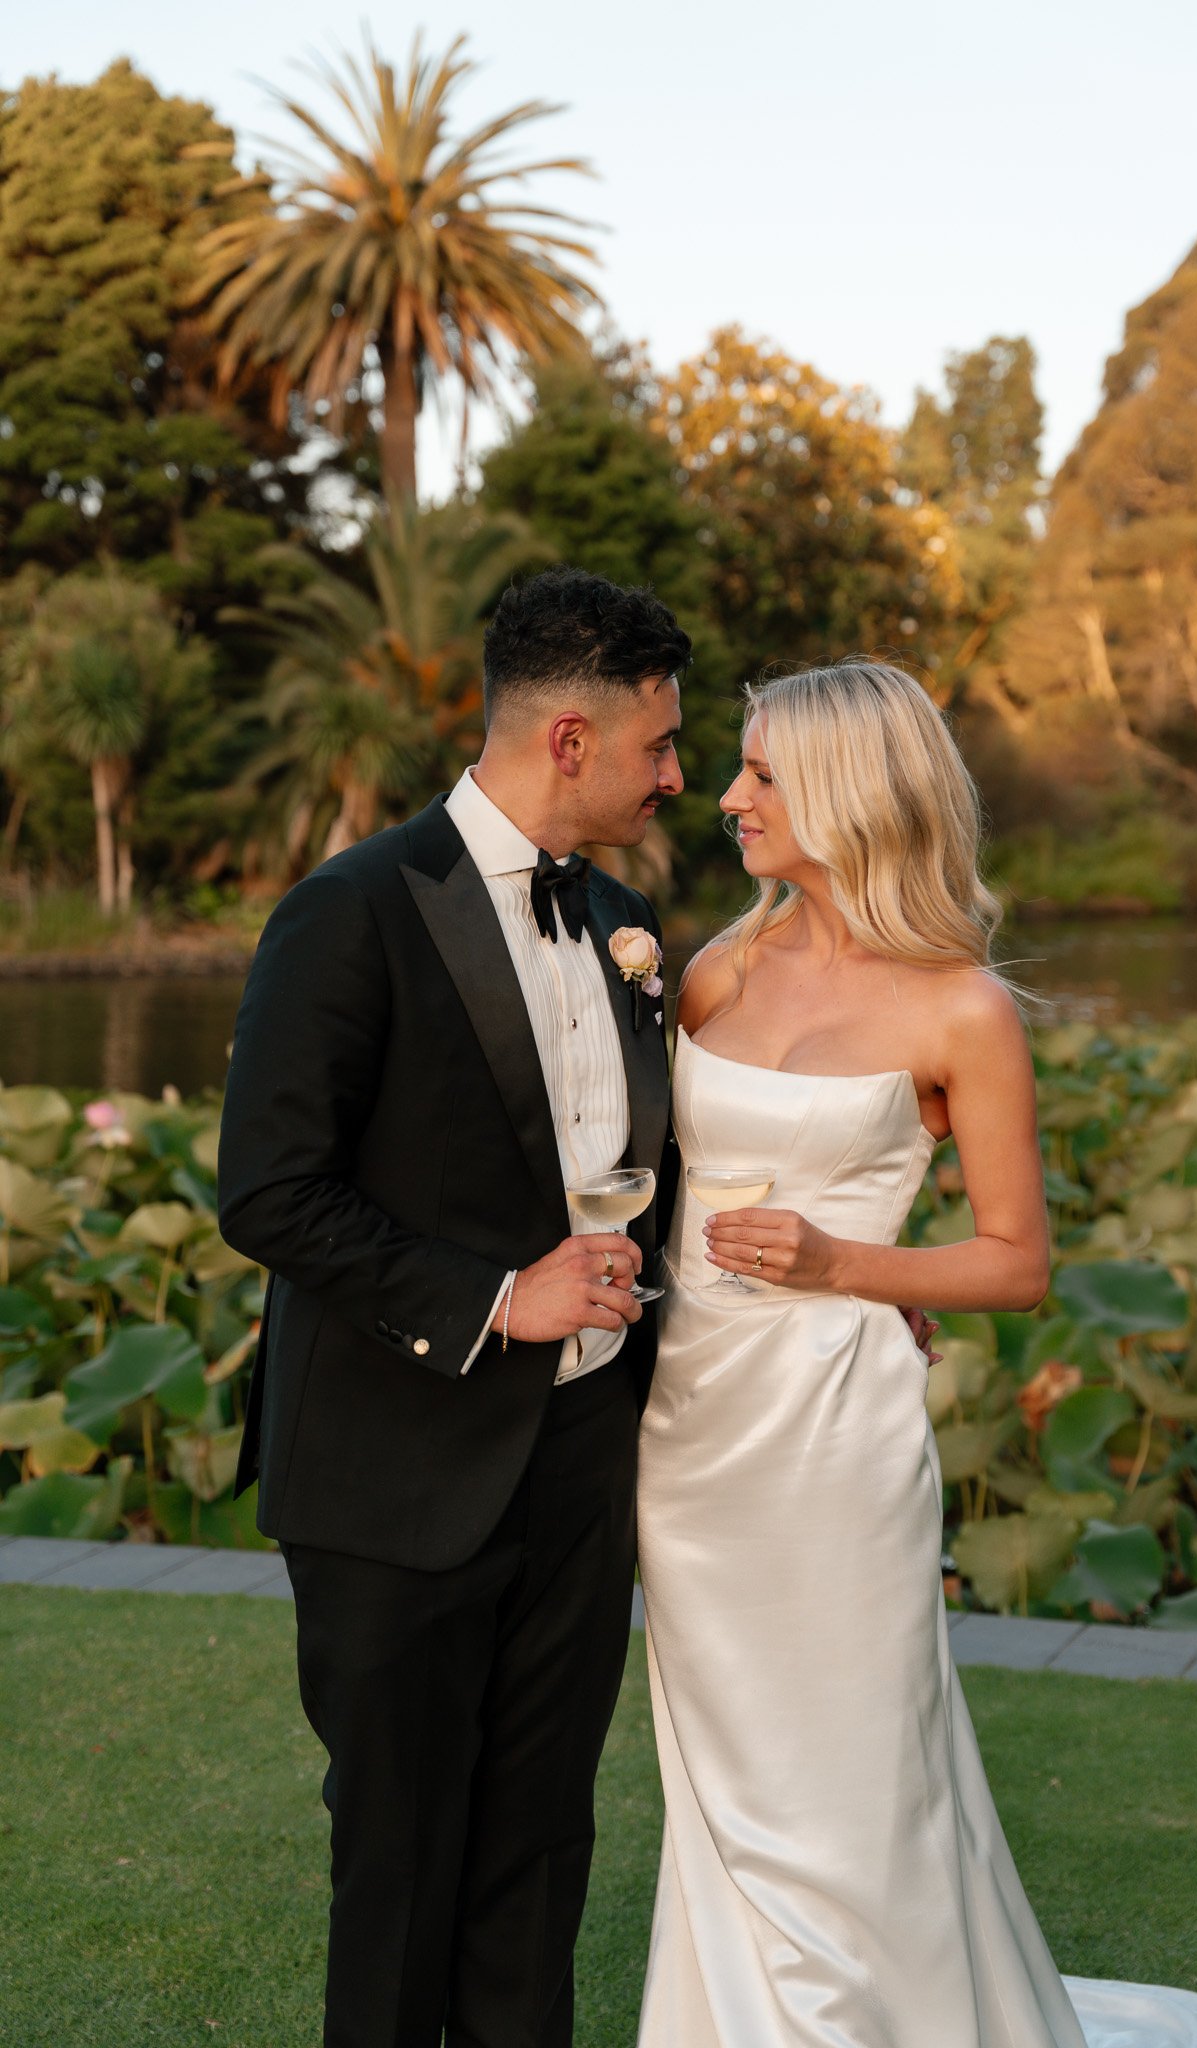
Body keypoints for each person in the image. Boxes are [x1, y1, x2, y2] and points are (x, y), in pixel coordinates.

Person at [635, 660, 1197, 2048]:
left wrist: (853, 1268)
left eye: (760, 773)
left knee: (854, 1761)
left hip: (833, 1432)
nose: (728, 797)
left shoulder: (960, 1010)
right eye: (735, 767)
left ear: (847, 792)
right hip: (687, 1431)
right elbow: (647, 1193)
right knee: (726, 1769)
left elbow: (1015, 1258)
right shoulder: (713, 971)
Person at [217, 566, 688, 2048]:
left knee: (541, 1849)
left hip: (572, 1463)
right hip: (394, 1473)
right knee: (403, 1860)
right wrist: (499, 1297)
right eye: (658, 747)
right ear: (566, 738)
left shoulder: (621, 922)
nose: (676, 776)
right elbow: (270, 1192)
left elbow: (647, 1180)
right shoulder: (349, 910)